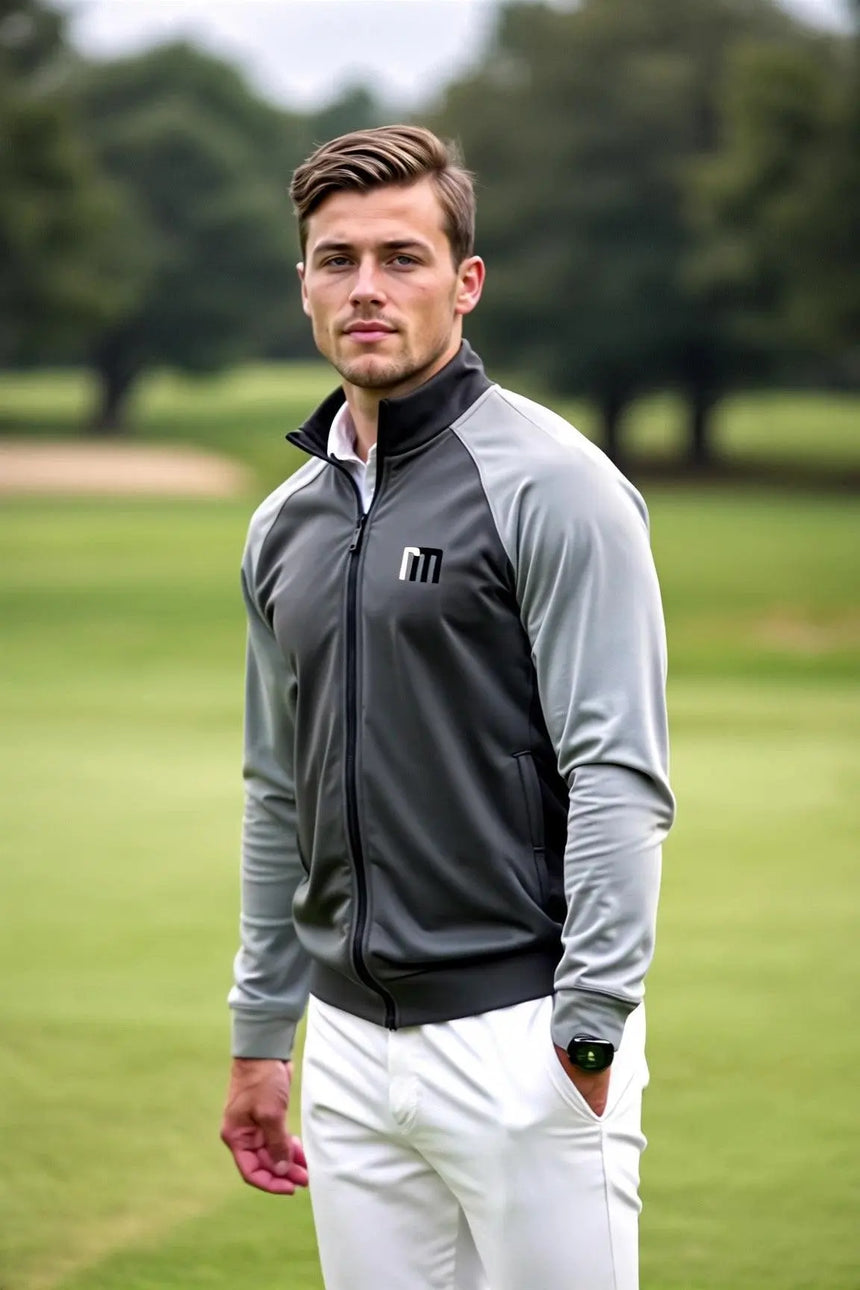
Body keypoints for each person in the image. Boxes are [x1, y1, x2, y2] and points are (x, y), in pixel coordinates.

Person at [220, 124, 675, 1290]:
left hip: (521, 1034)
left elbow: (616, 771)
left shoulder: (557, 486)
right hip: (347, 1052)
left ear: (465, 282)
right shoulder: (284, 523)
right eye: (337, 260)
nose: (366, 288)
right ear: (304, 285)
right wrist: (263, 1034)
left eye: (401, 257)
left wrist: (588, 1029)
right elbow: (277, 792)